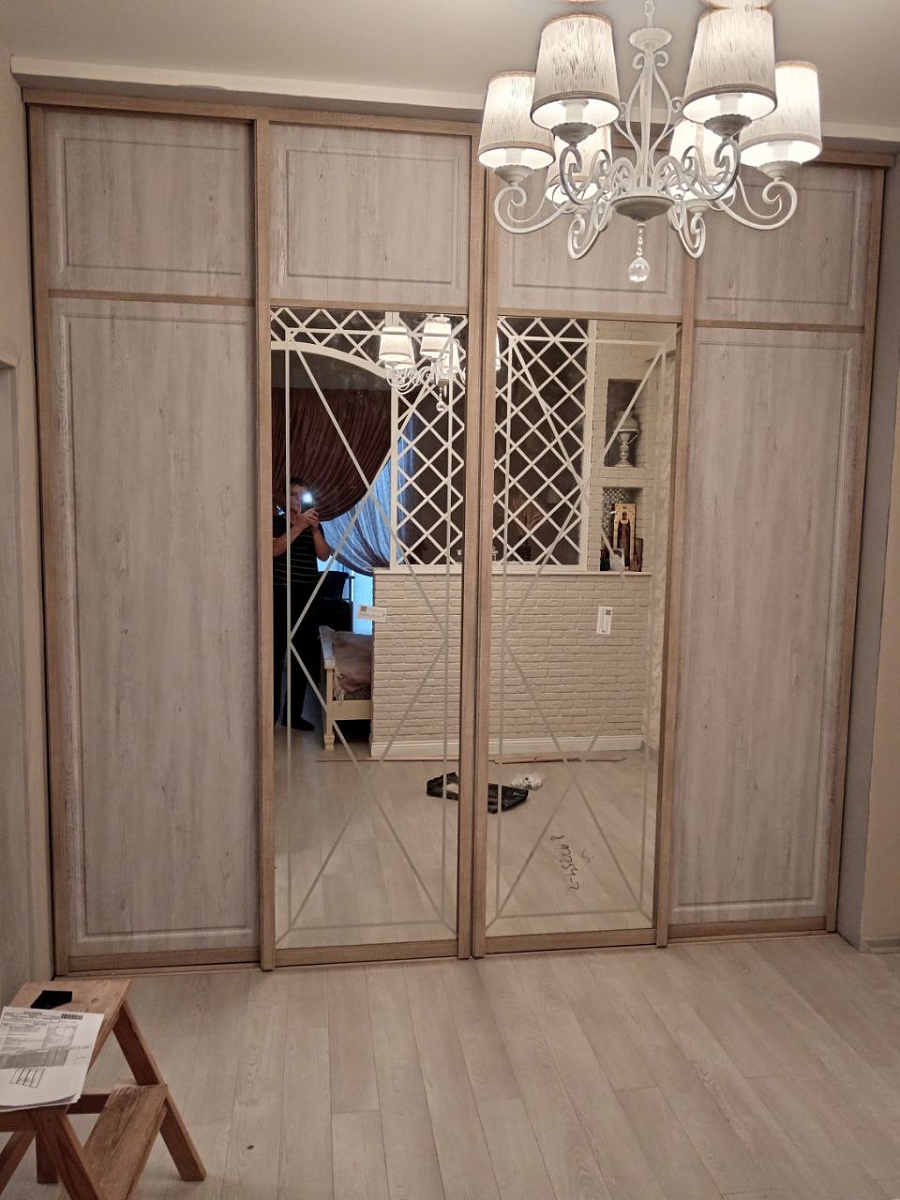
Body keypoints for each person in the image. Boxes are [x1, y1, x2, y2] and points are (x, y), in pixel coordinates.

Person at [273, 478, 332, 730]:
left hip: (307, 595)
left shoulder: (314, 525)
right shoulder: (275, 522)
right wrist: (297, 526)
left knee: (303, 656)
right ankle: (270, 715)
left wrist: (314, 530)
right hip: (279, 593)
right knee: (275, 655)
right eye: (294, 494)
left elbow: (324, 555)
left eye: (303, 495)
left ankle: (292, 715)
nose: (298, 499)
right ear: (284, 499)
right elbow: (274, 550)